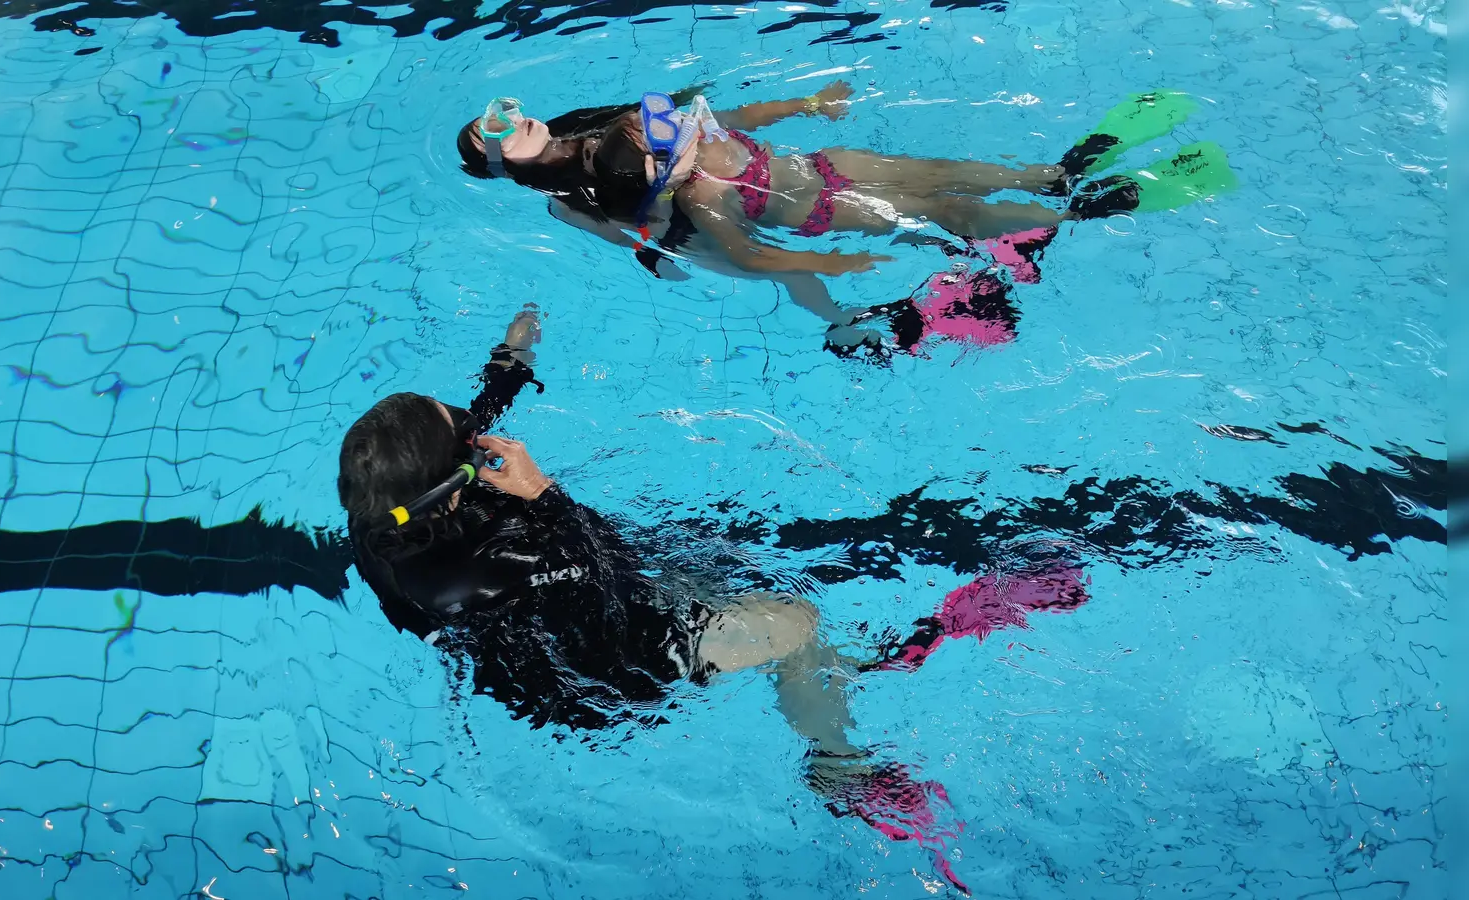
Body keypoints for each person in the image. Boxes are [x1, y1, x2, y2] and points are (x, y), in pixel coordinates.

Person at [336, 307, 1063, 891]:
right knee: (798, 622)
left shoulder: (381, 525)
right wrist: (548, 497)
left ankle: (823, 675)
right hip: (617, 670)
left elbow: (461, 431)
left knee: (712, 571)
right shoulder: (521, 551)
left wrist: (510, 364)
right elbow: (612, 575)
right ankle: (837, 762)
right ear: (451, 476)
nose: (473, 425)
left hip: (520, 656)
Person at [458, 87, 1235, 352]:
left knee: (933, 172)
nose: (693, 126)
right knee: (949, 209)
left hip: (824, 167)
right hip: (823, 208)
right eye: (677, 135)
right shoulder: (697, 194)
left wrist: (800, 104)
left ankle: (1055, 173)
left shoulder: (658, 139)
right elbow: (758, 259)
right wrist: (831, 268)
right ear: (669, 163)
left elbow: (724, 112)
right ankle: (1079, 210)